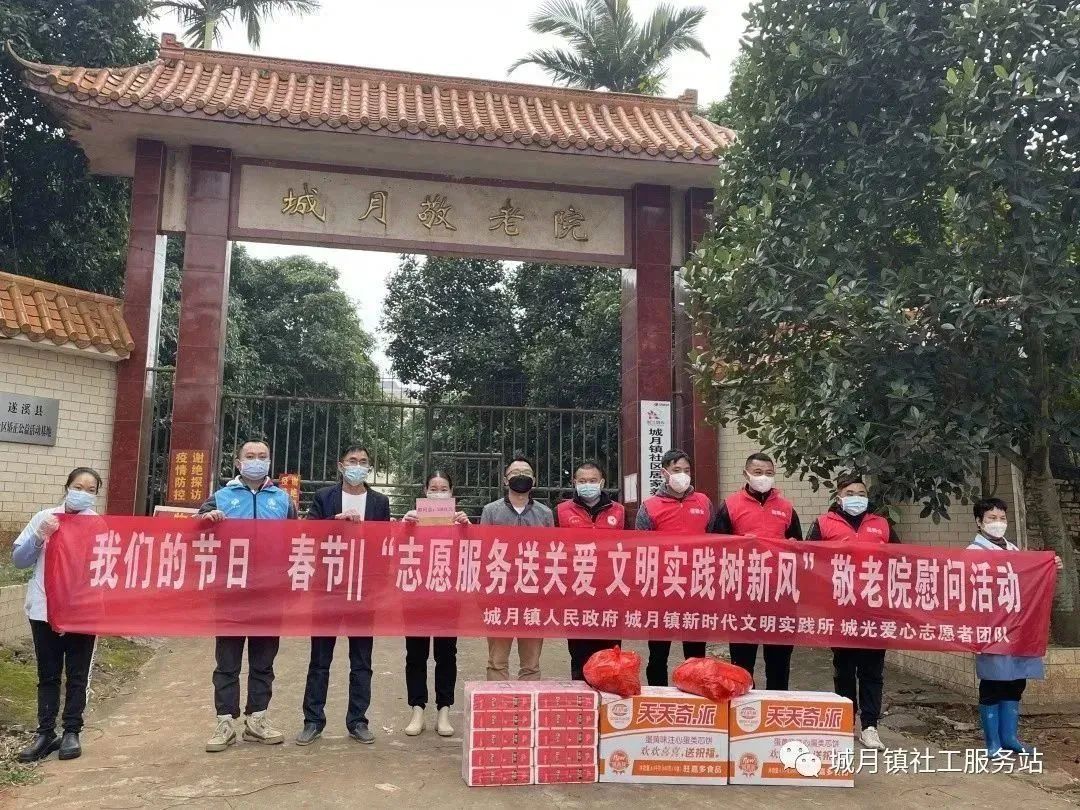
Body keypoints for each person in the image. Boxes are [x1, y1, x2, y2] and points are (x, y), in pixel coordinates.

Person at [199, 440, 296, 753]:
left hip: (270, 593)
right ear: (238, 463)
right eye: (250, 456)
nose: (257, 461)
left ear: (270, 462)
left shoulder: (283, 500)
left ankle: (257, 720)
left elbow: (297, 542)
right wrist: (207, 521)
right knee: (227, 662)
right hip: (230, 592)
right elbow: (195, 533)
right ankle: (225, 722)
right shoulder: (220, 497)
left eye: (263, 456)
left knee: (263, 661)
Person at [296, 445, 390, 746]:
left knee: (361, 661)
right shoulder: (325, 497)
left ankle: (358, 721)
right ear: (341, 465)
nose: (357, 466)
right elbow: (309, 533)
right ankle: (313, 721)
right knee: (319, 659)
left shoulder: (379, 502)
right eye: (352, 461)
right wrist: (334, 522)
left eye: (363, 462)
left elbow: (385, 544)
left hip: (363, 590)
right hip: (328, 588)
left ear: (369, 468)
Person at [12, 467, 102, 763]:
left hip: (82, 612)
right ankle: (45, 733)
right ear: (67, 487)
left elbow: (105, 569)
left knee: (77, 675)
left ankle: (72, 731)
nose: (83, 493)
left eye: (91, 490)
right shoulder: (45, 518)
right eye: (78, 487)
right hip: (44, 609)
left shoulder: (98, 525)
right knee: (48, 674)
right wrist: (40, 536)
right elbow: (19, 561)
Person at [806, 473, 899, 751]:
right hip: (840, 609)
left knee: (872, 671)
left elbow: (901, 560)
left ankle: (870, 726)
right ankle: (846, 722)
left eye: (861, 493)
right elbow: (809, 560)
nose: (856, 498)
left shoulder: (882, 524)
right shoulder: (824, 524)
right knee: (844, 668)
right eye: (850, 493)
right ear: (839, 496)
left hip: (875, 609)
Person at [969, 497, 1062, 758]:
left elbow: (1028, 580)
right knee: (992, 682)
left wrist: (1050, 566)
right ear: (979, 522)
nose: (998, 523)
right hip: (991, 628)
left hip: (1018, 627)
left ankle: (1010, 738)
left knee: (1015, 682)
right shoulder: (973, 552)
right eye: (991, 518)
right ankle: (993, 744)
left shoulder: (1012, 549)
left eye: (1002, 518)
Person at [712, 452, 802, 690]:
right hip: (744, 595)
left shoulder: (786, 508)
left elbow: (799, 548)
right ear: (746, 474)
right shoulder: (730, 506)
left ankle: (777, 705)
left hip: (779, 596)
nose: (764, 477)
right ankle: (744, 706)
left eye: (769, 473)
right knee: (742, 664)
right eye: (758, 472)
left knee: (779, 661)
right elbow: (716, 548)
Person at [400, 470, 470, 737]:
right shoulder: (413, 519)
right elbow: (393, 552)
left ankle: (444, 710)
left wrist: (466, 529)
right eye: (433, 488)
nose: (438, 493)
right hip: (416, 596)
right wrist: (403, 527)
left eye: (443, 489)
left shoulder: (459, 522)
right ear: (425, 491)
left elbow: (473, 554)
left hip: (448, 597)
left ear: (452, 493)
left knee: (446, 653)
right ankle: (417, 709)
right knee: (415, 654)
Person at [636, 449, 715, 687]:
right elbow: (641, 548)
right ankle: (657, 694)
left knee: (696, 652)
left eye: (687, 470)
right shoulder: (650, 506)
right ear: (664, 472)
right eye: (676, 470)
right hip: (662, 591)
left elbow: (715, 539)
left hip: (696, 589)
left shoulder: (704, 502)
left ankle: (695, 692)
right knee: (658, 652)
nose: (682, 475)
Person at [480, 455, 554, 680]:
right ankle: (497, 701)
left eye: (526, 473)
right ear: (505, 480)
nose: (521, 476)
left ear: (534, 480)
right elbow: (484, 552)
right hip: (500, 594)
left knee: (531, 664)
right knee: (497, 661)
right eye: (515, 473)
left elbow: (552, 554)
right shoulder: (491, 511)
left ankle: (527, 702)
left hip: (534, 596)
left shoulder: (545, 514)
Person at [556, 461, 626, 681]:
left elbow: (633, 547)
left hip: (611, 593)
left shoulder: (619, 511)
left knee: (610, 655)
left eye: (593, 480)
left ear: (602, 482)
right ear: (575, 482)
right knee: (579, 655)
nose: (588, 485)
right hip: (576, 594)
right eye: (583, 481)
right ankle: (581, 697)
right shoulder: (561, 511)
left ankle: (608, 697)